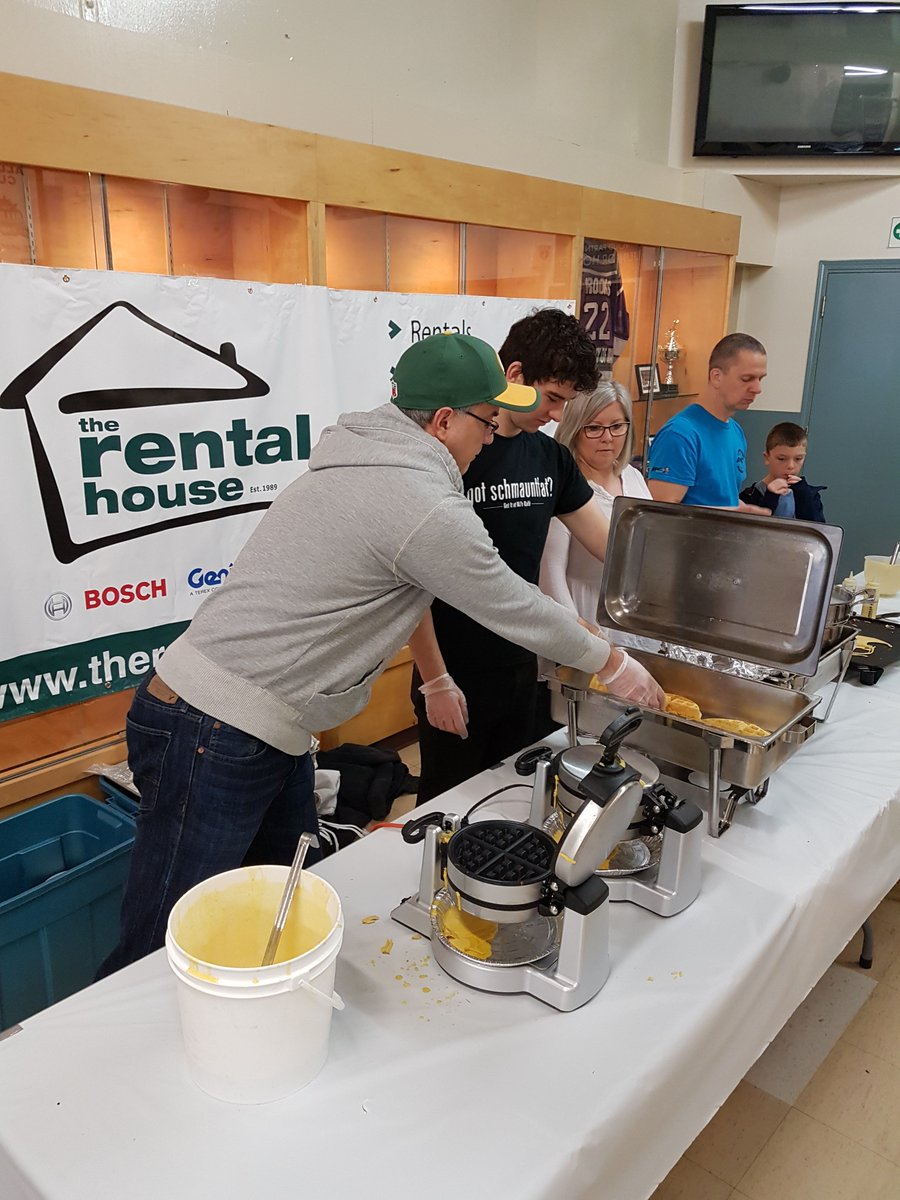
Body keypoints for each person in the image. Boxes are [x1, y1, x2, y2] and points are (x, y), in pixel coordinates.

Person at [97, 331, 663, 975]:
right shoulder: (418, 500)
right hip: (214, 726)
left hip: (260, 726)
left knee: (277, 899)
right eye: (487, 419)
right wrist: (612, 663)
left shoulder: (369, 458)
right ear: (446, 421)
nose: (493, 434)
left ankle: (253, 1014)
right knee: (160, 940)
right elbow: (513, 603)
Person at [409, 310, 664, 807]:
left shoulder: (550, 459)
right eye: (552, 398)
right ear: (515, 375)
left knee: (509, 796)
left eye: (566, 402)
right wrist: (435, 680)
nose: (556, 413)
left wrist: (676, 571)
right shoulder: (453, 455)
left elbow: (609, 542)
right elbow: (410, 582)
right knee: (447, 802)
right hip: (455, 665)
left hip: (524, 663)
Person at [539, 381, 651, 623]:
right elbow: (551, 577)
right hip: (584, 613)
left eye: (617, 426)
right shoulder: (566, 488)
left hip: (632, 616)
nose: (607, 438)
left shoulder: (633, 477)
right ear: (574, 429)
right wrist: (581, 638)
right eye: (594, 428)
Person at [646, 333, 769, 512]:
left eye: (761, 379)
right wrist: (734, 513)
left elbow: (725, 500)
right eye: (746, 379)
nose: (757, 389)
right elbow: (660, 514)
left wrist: (748, 513)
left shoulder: (735, 431)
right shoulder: (680, 435)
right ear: (716, 377)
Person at [739, 421, 826, 522]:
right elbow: (751, 530)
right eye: (781, 459)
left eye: (798, 459)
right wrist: (770, 497)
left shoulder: (809, 494)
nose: (790, 466)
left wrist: (804, 495)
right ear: (767, 458)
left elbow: (817, 529)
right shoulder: (751, 495)